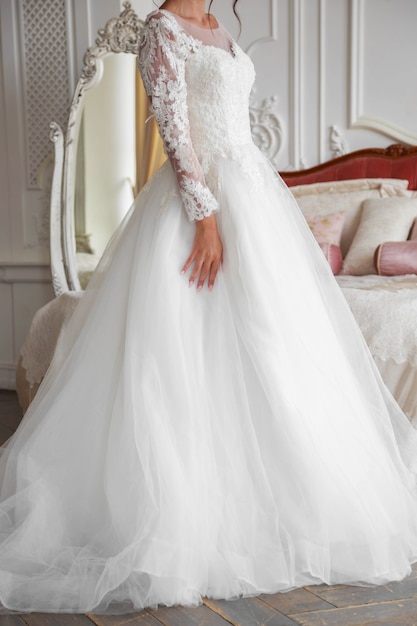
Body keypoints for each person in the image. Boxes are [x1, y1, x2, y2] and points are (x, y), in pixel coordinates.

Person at [1, 0, 417, 615]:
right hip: (201, 203)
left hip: (252, 191)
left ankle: (283, 509)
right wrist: (205, 219)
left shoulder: (220, 29)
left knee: (277, 353)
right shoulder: (161, 29)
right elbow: (175, 132)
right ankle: (180, 527)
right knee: (181, 353)